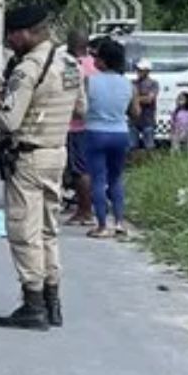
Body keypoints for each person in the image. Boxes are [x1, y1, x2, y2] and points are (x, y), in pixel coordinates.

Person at [0, 5, 84, 331]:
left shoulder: (28, 69)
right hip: (57, 153)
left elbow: (10, 121)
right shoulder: (69, 63)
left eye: (12, 36)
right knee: (48, 229)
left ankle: (33, 304)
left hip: (28, 157)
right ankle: (54, 302)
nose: (11, 42)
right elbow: (82, 108)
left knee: (24, 231)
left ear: (25, 32)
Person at [83, 39, 136, 239]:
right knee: (116, 179)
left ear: (104, 61)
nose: (94, 60)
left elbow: (81, 107)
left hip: (95, 132)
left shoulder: (90, 81)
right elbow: (135, 112)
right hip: (120, 133)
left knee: (98, 179)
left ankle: (102, 225)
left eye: (96, 56)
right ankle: (120, 222)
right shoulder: (128, 84)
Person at [63, 30, 98, 226]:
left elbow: (71, 96)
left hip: (75, 125)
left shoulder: (72, 66)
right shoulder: (95, 65)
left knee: (79, 170)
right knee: (90, 169)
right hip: (93, 124)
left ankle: (84, 211)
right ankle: (88, 208)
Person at [132, 58, 159, 151]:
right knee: (132, 146)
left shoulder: (154, 84)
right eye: (138, 69)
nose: (138, 72)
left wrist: (135, 99)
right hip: (134, 120)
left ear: (147, 71)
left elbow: (149, 100)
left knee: (149, 146)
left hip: (148, 119)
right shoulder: (133, 83)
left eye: (141, 70)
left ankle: (150, 164)